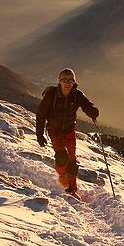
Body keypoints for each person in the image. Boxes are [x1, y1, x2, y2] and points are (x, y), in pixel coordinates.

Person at [36, 68, 99, 197]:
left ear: (74, 82)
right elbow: (41, 114)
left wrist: (92, 110)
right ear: (59, 82)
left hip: (69, 129)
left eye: (71, 80)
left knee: (72, 161)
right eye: (64, 80)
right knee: (61, 157)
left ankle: (72, 189)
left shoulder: (77, 94)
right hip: (54, 130)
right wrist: (40, 134)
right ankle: (63, 179)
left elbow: (86, 104)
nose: (68, 83)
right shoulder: (52, 95)